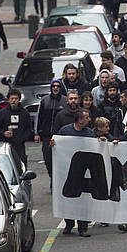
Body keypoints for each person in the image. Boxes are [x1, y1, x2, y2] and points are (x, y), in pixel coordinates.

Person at [53, 108, 96, 237]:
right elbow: (58, 145)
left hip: (84, 172)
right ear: (80, 120)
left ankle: (82, 228)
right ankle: (69, 223)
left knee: (83, 199)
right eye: (86, 118)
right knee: (69, 198)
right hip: (68, 171)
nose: (89, 120)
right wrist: (54, 144)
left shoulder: (89, 133)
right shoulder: (65, 131)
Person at [34, 80, 67, 186]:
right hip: (47, 135)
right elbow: (39, 117)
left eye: (58, 86)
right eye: (54, 86)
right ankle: (52, 176)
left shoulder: (65, 101)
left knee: (60, 160)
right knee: (48, 159)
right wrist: (37, 133)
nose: (56, 88)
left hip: (60, 137)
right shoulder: (45, 100)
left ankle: (57, 181)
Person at [0, 89, 32, 166]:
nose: (13, 101)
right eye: (12, 99)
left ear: (19, 100)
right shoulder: (2, 113)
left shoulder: (25, 113)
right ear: (8, 100)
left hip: (20, 147)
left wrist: (22, 138)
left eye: (16, 99)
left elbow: (29, 129)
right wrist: (3, 133)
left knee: (21, 166)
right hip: (5, 146)